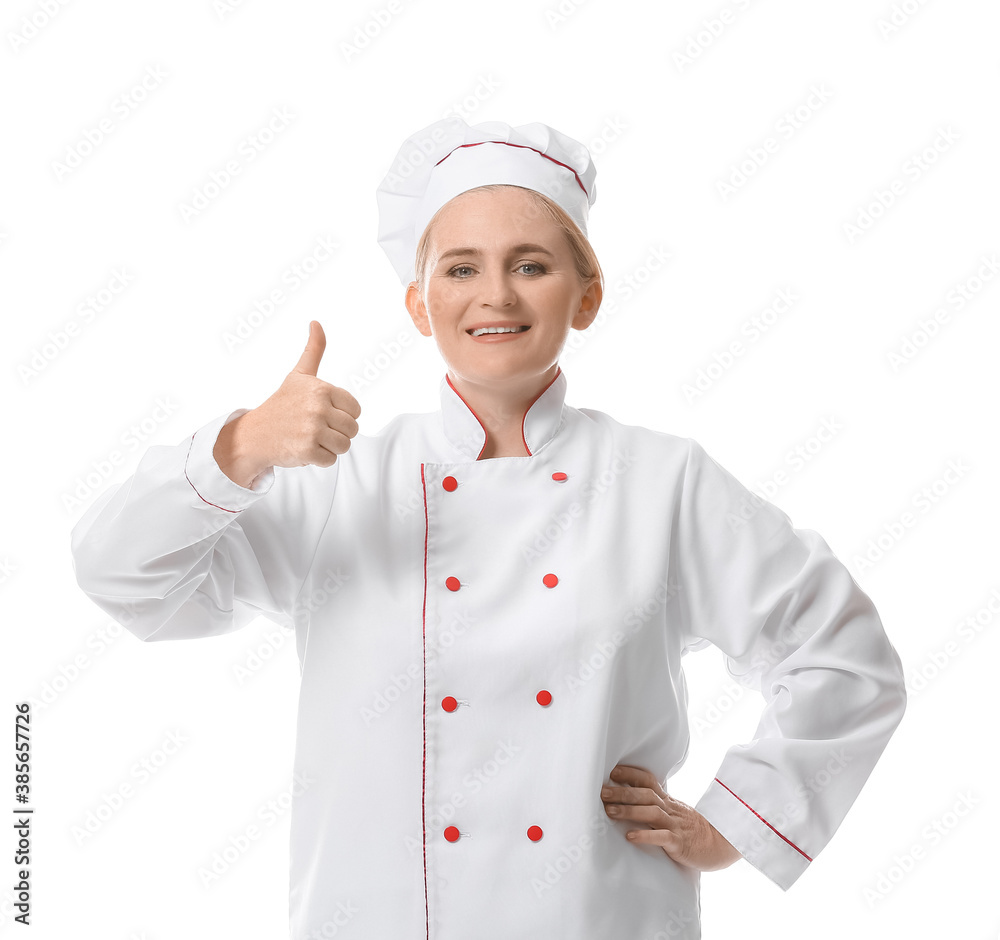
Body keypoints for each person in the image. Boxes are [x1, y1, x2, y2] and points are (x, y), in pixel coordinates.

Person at [70, 116, 908, 940]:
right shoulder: (339, 483)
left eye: (531, 265)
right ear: (418, 303)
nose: (495, 295)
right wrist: (240, 447)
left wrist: (738, 822)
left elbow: (843, 654)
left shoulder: (662, 483)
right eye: (461, 268)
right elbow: (120, 575)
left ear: (588, 295)